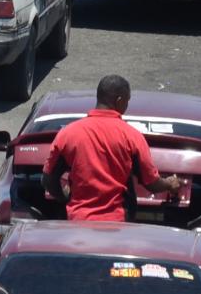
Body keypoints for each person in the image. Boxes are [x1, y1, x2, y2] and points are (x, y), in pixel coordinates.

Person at [44, 75, 184, 222]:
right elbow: (151, 183)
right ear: (119, 100)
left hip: (77, 221)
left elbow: (48, 180)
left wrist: (64, 197)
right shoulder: (132, 137)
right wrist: (169, 183)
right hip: (117, 224)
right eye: (127, 101)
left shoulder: (67, 134)